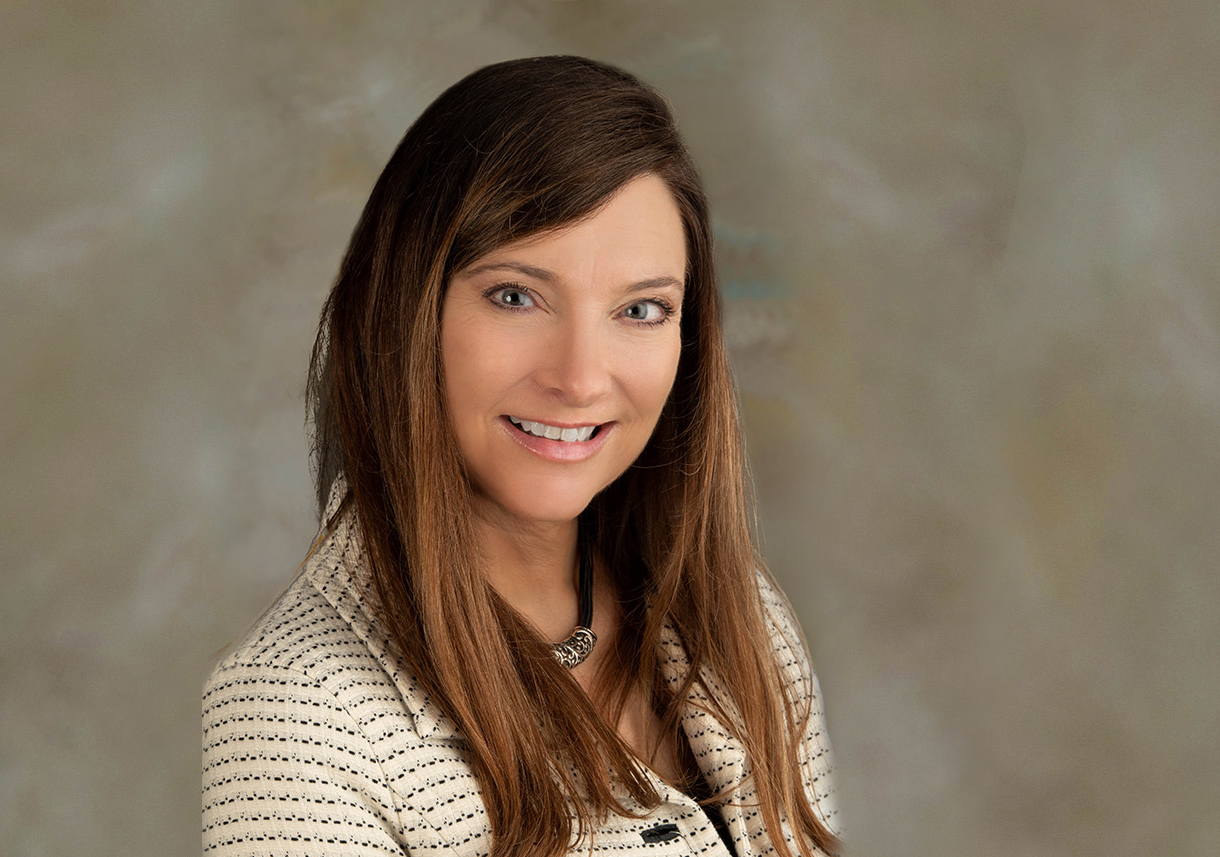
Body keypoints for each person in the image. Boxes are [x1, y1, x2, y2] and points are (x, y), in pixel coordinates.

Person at [201, 55, 842, 857]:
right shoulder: (292, 718)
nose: (578, 378)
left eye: (641, 309)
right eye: (514, 296)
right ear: (405, 309)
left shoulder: (740, 620)